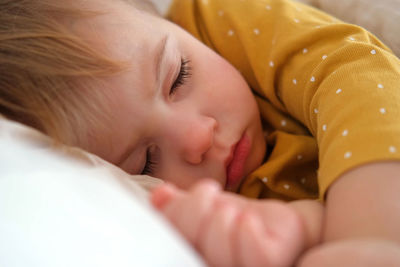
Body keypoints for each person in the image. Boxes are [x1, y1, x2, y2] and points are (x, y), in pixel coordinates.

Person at [1, 0, 400, 266]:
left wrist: (368, 231)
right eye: (147, 161)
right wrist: (304, 230)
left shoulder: (215, 19)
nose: (198, 138)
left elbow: (352, 71)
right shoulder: (191, 220)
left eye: (179, 77)